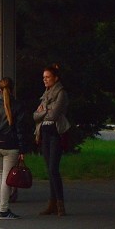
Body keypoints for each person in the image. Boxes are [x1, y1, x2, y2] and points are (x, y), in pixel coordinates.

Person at [0, 77, 33, 220]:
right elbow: (20, 130)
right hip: (10, 145)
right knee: (5, 178)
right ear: (12, 88)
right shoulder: (18, 106)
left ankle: (1, 207)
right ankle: (3, 210)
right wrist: (23, 149)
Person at [33, 63, 71, 216]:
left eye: (48, 77)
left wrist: (43, 111)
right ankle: (52, 203)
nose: (45, 80)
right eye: (44, 77)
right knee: (49, 168)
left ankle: (60, 204)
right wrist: (43, 112)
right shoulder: (45, 93)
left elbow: (54, 114)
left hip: (56, 133)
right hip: (45, 134)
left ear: (56, 78)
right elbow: (34, 115)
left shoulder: (61, 93)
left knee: (53, 168)